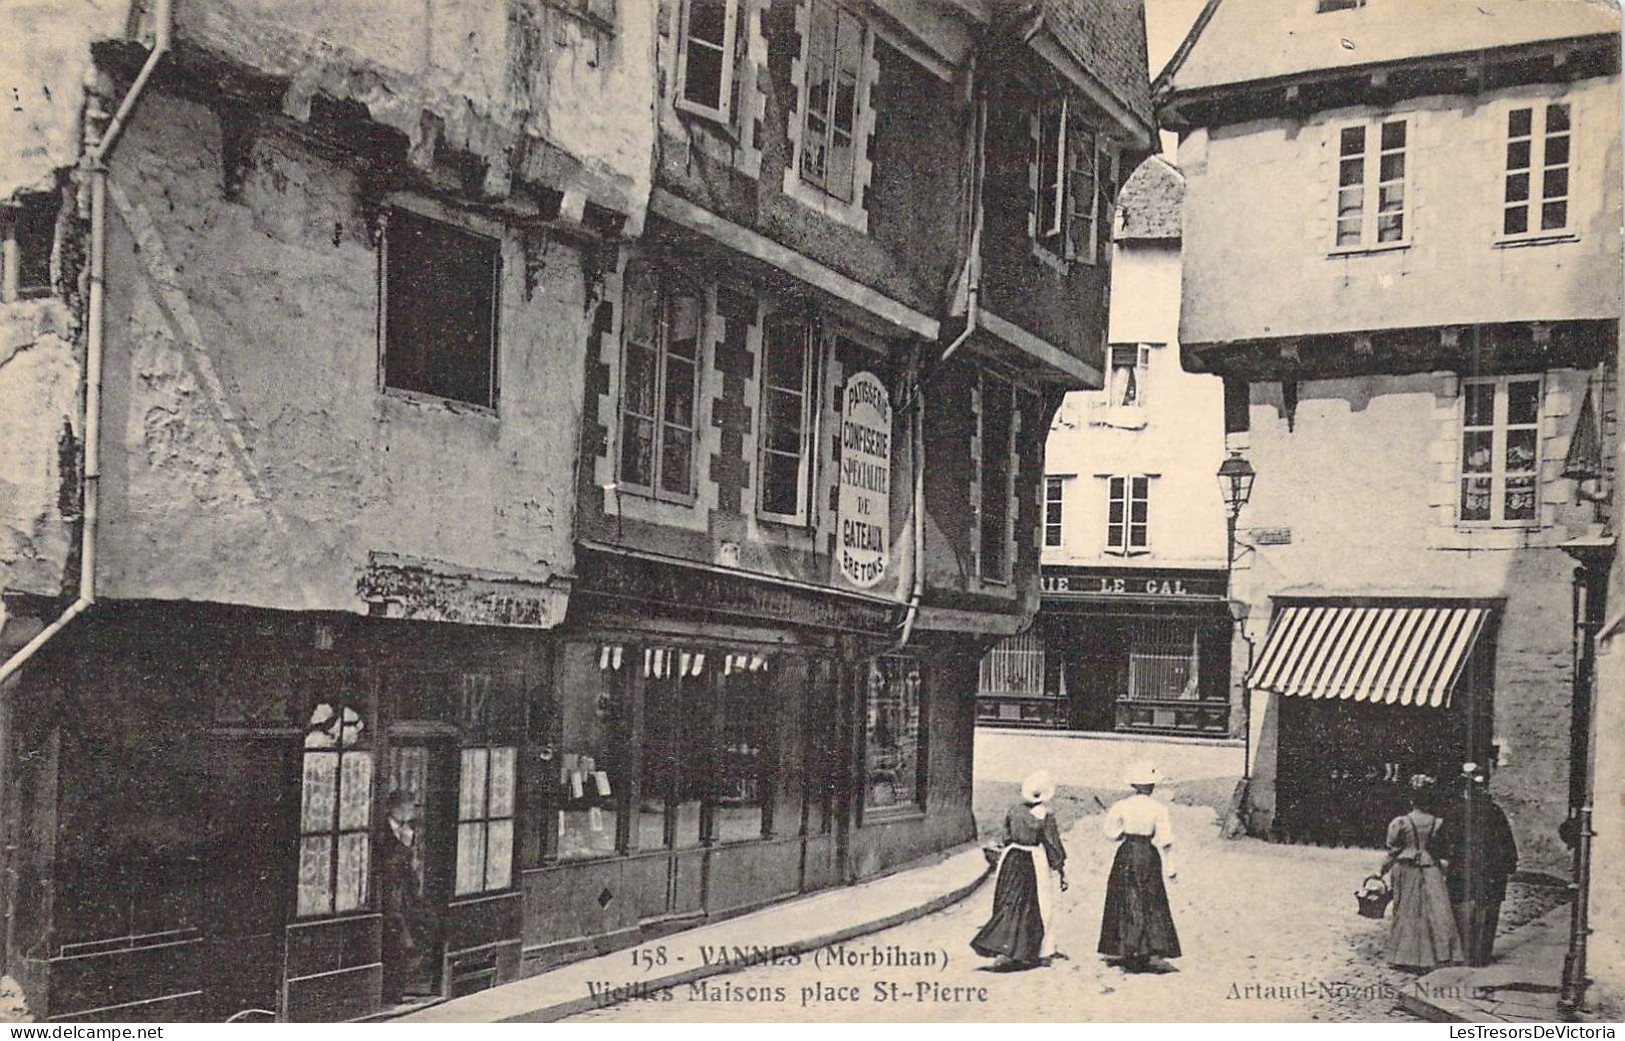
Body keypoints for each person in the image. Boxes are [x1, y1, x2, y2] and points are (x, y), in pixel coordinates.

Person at [971, 770, 1068, 968]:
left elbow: (1005, 836)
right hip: (1033, 858)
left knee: (1010, 901)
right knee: (1040, 904)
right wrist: (1060, 867)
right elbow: (1052, 843)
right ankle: (1040, 950)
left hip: (1012, 857)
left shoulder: (1014, 810)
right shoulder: (1046, 815)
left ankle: (1007, 946)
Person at [1098, 761, 1181, 972]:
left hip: (1127, 852)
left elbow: (1109, 832)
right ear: (1151, 786)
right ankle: (1149, 948)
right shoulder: (1159, 809)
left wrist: (1122, 834)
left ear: (1134, 785)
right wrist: (1171, 867)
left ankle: (1128, 947)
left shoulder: (1122, 806)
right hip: (1147, 854)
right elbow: (1165, 839)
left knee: (1126, 898)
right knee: (1150, 899)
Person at [1379, 774, 1463, 971]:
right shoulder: (1438, 823)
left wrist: (1382, 870)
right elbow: (1442, 849)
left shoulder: (1401, 822)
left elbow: (1393, 849)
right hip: (1430, 867)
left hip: (1406, 868)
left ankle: (1405, 956)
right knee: (1434, 910)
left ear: (1411, 799)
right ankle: (1436, 955)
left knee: (1407, 910)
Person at [1443, 764, 1519, 966]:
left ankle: (1470, 954)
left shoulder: (1457, 812)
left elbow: (1443, 842)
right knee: (1487, 912)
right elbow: (1507, 843)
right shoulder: (1494, 812)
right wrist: (1510, 864)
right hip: (1489, 872)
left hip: (1464, 871)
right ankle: (1481, 954)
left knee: (1466, 911)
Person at [381, 789, 431, 1003]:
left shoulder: (407, 830)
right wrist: (404, 845)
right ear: (397, 809)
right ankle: (393, 993)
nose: (412, 812)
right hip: (389, 898)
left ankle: (401, 988)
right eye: (409, 807)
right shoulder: (384, 831)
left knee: (415, 936)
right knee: (399, 944)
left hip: (406, 898)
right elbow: (390, 866)